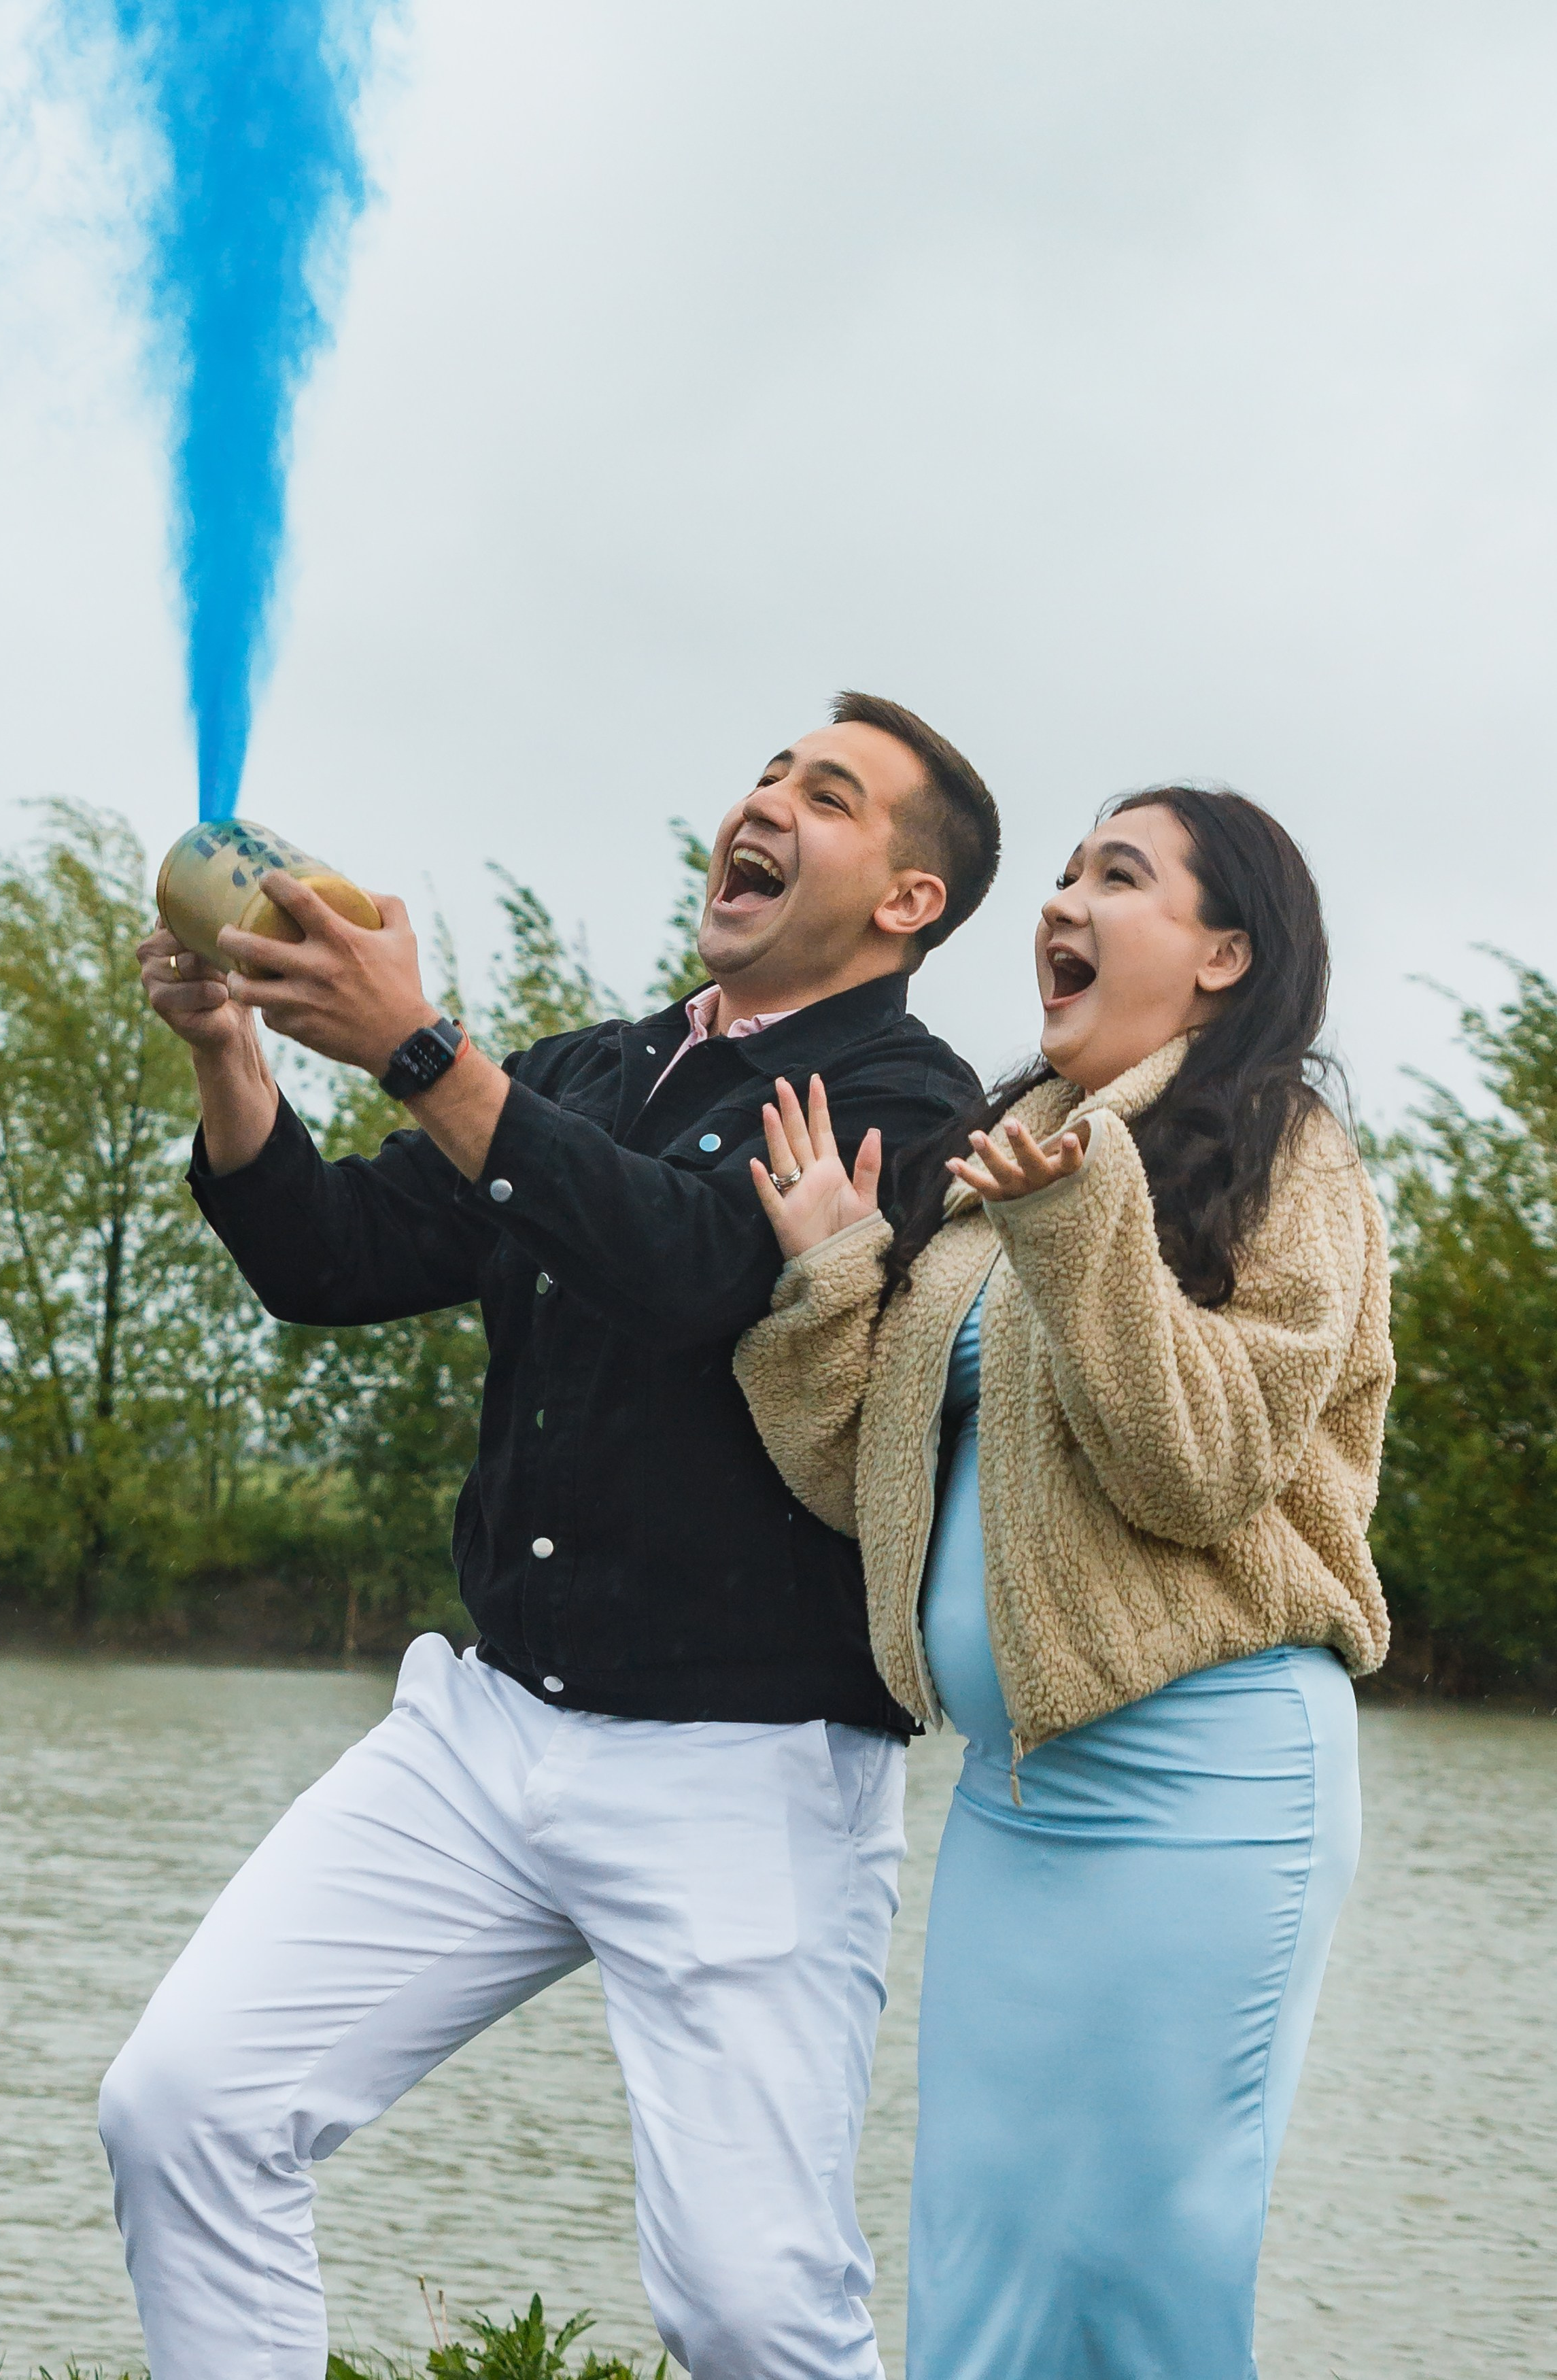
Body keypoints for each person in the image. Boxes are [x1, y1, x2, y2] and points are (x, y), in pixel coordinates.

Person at [101, 693, 997, 2380]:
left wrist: (426, 1052)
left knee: (751, 2312)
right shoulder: (594, 1067)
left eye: (826, 793)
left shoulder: (908, 1098)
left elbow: (689, 1271)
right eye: (764, 772)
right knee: (184, 2107)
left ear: (907, 902)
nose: (764, 801)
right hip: (488, 1722)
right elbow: (328, 1257)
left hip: (748, 1763)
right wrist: (232, 1052)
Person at [734, 785, 1395, 2380]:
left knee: (1141, 2264)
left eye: (1120, 875)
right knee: (983, 2257)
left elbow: (1204, 1464)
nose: (1063, 903)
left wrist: (1081, 1224)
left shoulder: (1285, 1155)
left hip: (1211, 1783)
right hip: (1020, 1804)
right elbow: (870, 1486)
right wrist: (831, 1275)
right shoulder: (1008, 1162)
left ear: (1225, 952)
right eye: (1064, 872)